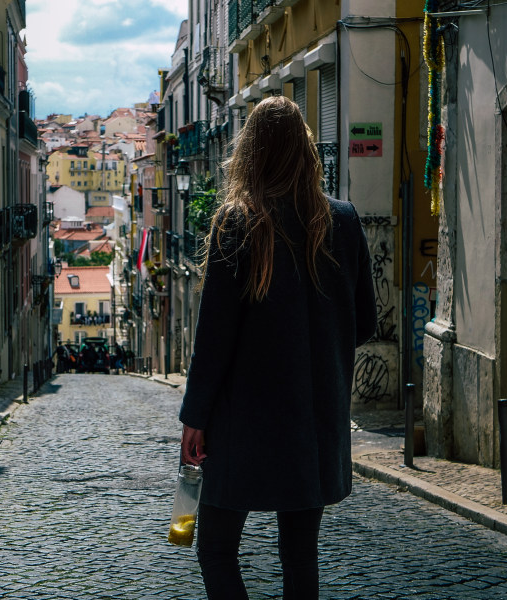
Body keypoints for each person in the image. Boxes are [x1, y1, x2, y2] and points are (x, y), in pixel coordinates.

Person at [179, 96, 376, 600]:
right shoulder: (345, 221)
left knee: (217, 549)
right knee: (299, 556)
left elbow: (214, 339)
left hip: (242, 424)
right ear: (307, 151)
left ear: (251, 152)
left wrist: (195, 417)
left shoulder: (238, 222)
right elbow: (365, 320)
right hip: (313, 422)